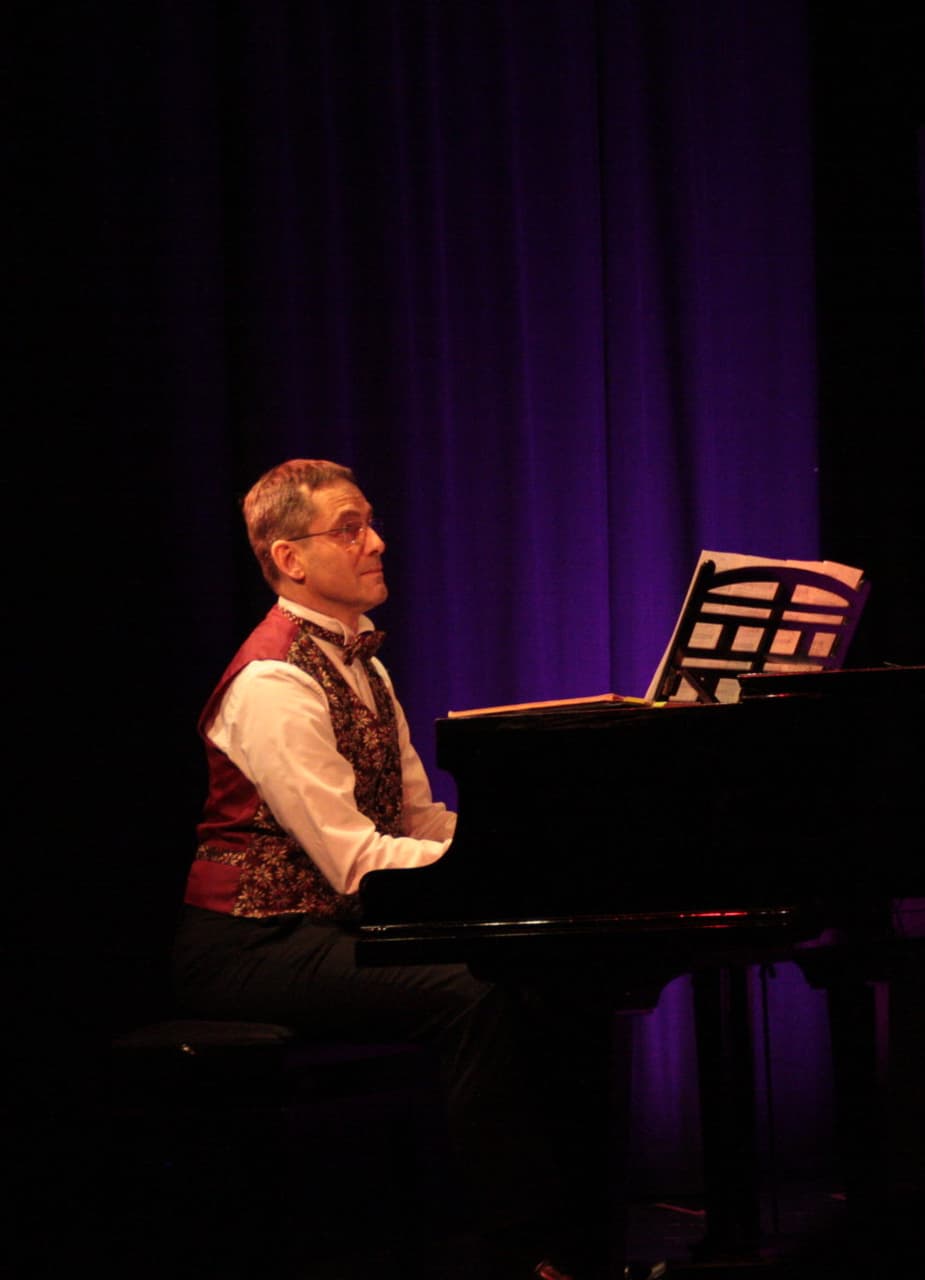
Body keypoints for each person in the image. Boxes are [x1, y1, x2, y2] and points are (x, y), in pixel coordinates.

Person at [174, 458, 596, 1280]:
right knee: (474, 989)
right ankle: (519, 1253)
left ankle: (580, 1229)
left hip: (323, 930)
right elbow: (355, 859)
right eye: (350, 528)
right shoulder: (272, 681)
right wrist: (497, 865)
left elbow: (415, 820)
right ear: (291, 559)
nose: (377, 542)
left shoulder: (363, 662)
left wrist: (528, 845)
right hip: (249, 945)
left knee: (550, 970)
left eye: (369, 523)